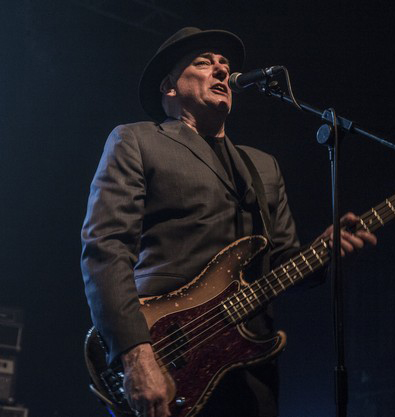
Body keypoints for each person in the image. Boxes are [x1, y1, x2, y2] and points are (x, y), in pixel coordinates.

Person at [81, 27, 376, 417]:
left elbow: (282, 264)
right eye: (204, 62)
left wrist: (324, 252)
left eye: (224, 64)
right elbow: (105, 250)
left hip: (250, 370)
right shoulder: (137, 140)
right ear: (169, 87)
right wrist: (135, 353)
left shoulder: (263, 166)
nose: (221, 69)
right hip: (167, 353)